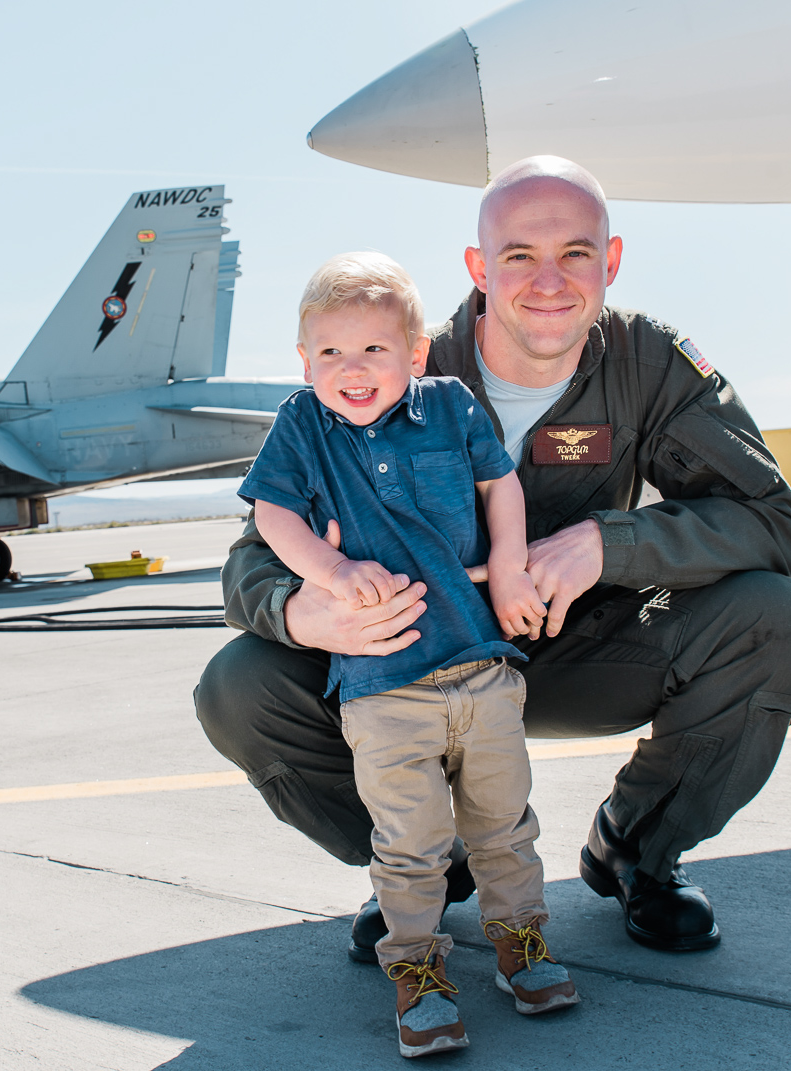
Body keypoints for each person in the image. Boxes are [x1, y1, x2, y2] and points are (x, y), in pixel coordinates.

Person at [196, 155, 791, 962]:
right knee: (239, 684)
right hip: (415, 655)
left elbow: (772, 523)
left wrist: (608, 542)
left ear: (612, 260)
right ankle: (419, 868)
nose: (550, 280)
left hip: (581, 642)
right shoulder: (397, 362)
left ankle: (636, 848)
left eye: (576, 252)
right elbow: (251, 562)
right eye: (520, 255)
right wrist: (301, 605)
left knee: (780, 622)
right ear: (478, 267)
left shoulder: (651, 364)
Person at [238, 252, 579, 1058]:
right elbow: (274, 517)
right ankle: (420, 974)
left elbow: (502, 485)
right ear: (304, 360)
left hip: (481, 664)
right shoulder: (301, 426)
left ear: (416, 353)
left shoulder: (452, 406)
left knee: (505, 826)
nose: (352, 371)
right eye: (331, 353)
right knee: (411, 842)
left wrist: (508, 560)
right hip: (382, 684)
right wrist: (333, 571)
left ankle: (520, 948)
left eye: (374, 351)